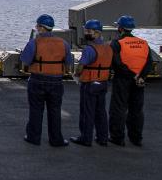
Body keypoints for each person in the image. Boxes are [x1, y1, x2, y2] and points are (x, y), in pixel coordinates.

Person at [20, 14, 73, 147]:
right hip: (56, 81)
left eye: (38, 26)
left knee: (36, 110)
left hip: (37, 80)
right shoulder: (63, 43)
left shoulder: (34, 43)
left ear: (41, 27)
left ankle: (33, 137)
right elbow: (68, 63)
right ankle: (56, 139)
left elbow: (25, 60)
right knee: (55, 111)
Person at [109, 15, 153, 147]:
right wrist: (140, 76)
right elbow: (149, 62)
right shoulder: (143, 43)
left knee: (118, 108)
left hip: (123, 79)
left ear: (120, 28)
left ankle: (117, 137)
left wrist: (131, 75)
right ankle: (136, 138)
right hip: (139, 80)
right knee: (136, 110)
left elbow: (116, 63)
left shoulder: (117, 43)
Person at [70, 20, 111, 147]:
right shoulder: (108, 48)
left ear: (97, 33)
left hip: (90, 83)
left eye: (88, 31)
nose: (86, 33)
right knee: (101, 112)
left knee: (87, 111)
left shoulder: (89, 49)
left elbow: (81, 66)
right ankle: (103, 137)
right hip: (103, 82)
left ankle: (86, 138)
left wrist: (76, 75)